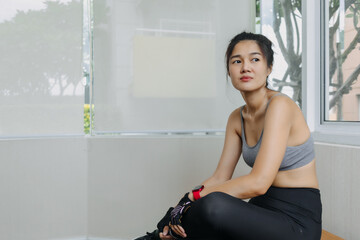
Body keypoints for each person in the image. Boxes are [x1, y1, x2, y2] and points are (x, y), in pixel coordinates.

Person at [134, 32, 322, 240]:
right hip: (262, 211)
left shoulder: (280, 105)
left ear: (269, 68)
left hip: (297, 221)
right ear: (229, 70)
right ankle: (162, 234)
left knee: (212, 205)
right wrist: (182, 204)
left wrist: (192, 198)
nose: (245, 67)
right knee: (202, 212)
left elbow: (259, 183)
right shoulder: (236, 118)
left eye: (255, 59)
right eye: (237, 61)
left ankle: (158, 237)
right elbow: (220, 178)